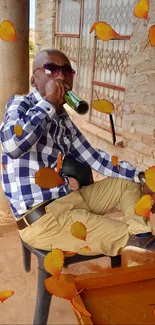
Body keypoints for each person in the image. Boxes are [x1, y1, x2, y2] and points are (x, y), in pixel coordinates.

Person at [0, 48, 155, 257]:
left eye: (67, 71)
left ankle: (142, 237)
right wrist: (48, 103)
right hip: (44, 220)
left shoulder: (63, 121)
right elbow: (11, 145)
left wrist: (143, 177)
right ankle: (140, 250)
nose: (61, 76)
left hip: (70, 201)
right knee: (132, 243)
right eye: (51, 69)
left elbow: (96, 158)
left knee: (129, 182)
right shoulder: (21, 104)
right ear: (34, 80)